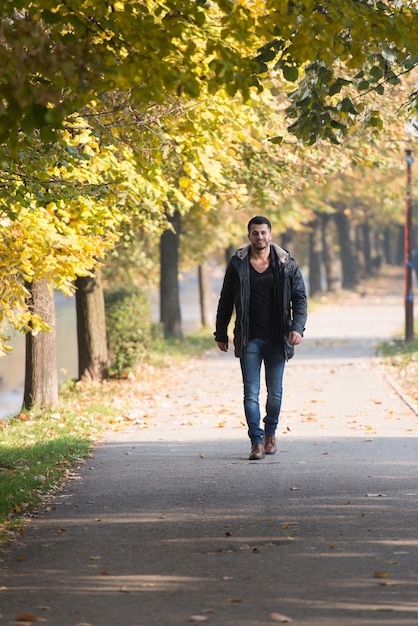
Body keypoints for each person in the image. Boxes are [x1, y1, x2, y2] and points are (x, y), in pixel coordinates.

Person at [214, 216, 307, 460]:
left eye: (263, 232)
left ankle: (270, 434)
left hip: (278, 338)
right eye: (255, 233)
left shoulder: (286, 263)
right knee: (250, 393)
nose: (260, 237)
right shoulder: (238, 264)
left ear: (270, 234)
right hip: (249, 338)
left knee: (275, 394)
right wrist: (221, 332)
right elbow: (225, 300)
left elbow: (299, 298)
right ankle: (256, 441)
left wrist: (297, 328)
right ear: (249, 236)